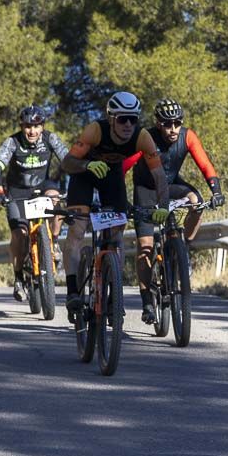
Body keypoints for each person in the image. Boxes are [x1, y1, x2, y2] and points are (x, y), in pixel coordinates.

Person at [60, 91, 169, 320]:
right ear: (111, 118)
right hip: (84, 174)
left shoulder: (141, 138)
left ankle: (112, 297)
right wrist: (87, 165)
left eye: (133, 119)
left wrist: (163, 206)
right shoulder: (95, 130)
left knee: (116, 239)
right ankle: (72, 291)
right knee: (77, 230)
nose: (128, 124)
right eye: (122, 119)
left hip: (112, 177)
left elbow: (159, 176)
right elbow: (67, 162)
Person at [120, 98, 225, 324]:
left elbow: (205, 165)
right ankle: (147, 299)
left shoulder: (187, 136)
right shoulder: (146, 138)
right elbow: (124, 166)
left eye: (177, 123)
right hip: (146, 189)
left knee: (195, 201)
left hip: (171, 184)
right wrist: (117, 196)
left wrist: (216, 192)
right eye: (168, 124)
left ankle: (181, 246)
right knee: (146, 247)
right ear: (158, 123)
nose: (173, 129)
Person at [0, 106, 69, 301]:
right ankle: (18, 277)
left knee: (56, 198)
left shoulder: (50, 138)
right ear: (21, 127)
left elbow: (68, 159)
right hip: (17, 190)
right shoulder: (12, 142)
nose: (32, 131)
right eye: (27, 126)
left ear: (42, 126)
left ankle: (54, 242)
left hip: (42, 186)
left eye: (36, 126)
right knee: (19, 234)